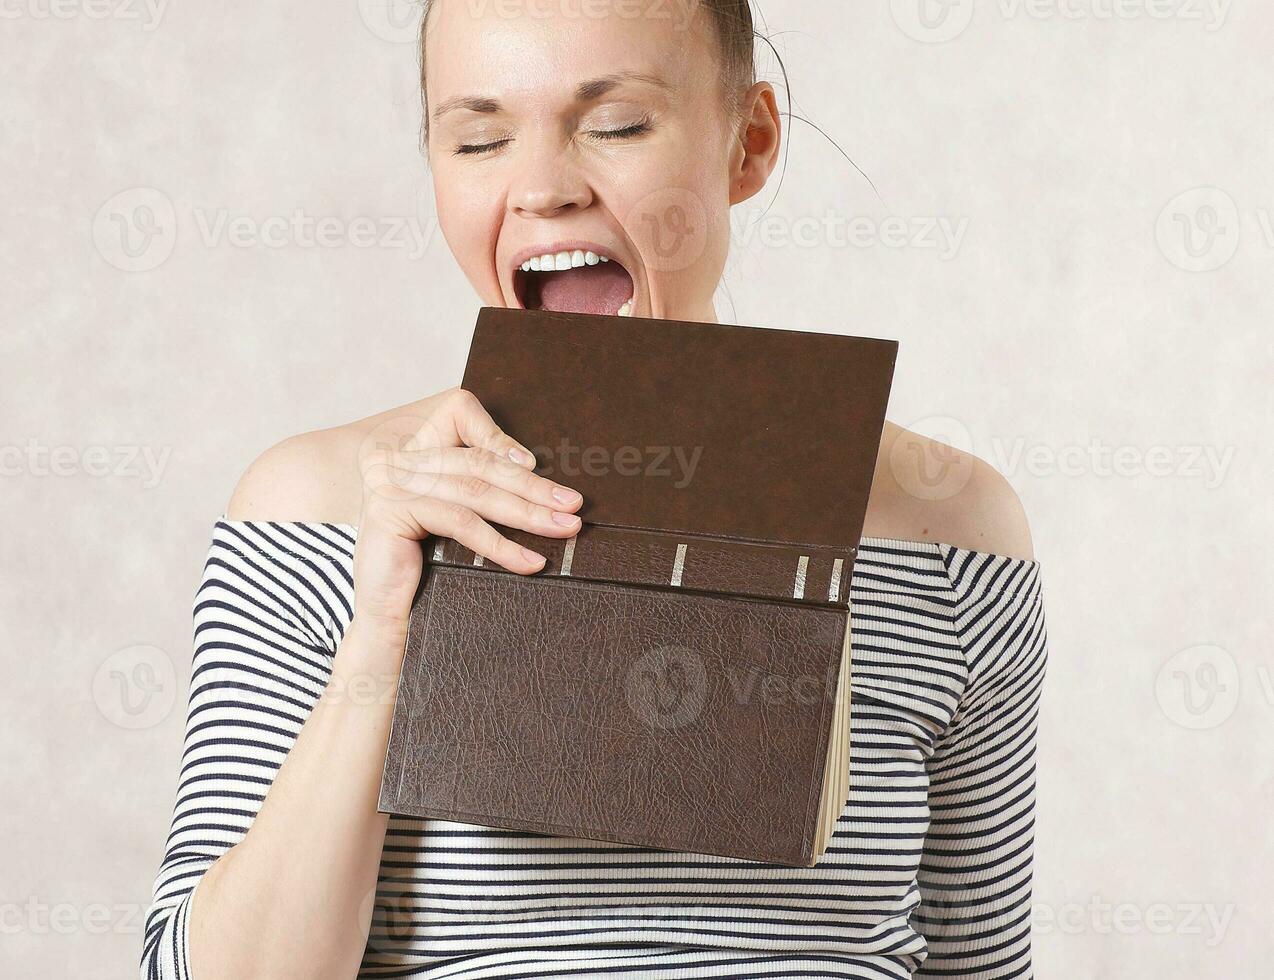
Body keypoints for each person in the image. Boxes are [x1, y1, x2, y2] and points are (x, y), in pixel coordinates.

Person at [140, 2, 1049, 977]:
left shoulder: (949, 532)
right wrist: (382, 637)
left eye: (615, 125)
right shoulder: (312, 510)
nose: (540, 188)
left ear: (748, 141)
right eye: (479, 137)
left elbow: (980, 965)